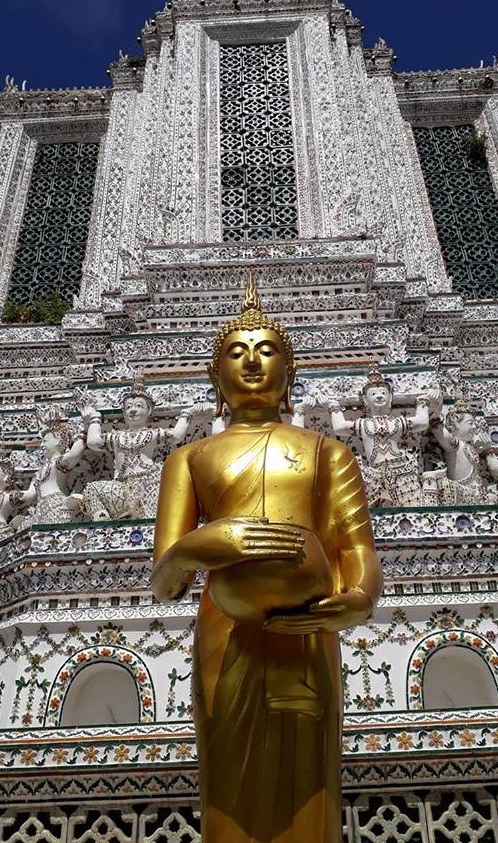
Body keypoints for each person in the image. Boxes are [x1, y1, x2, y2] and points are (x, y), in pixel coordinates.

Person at [151, 276, 382, 843]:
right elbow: (164, 580)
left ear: (290, 373)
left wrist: (357, 600)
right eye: (236, 352)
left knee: (309, 784)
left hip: (306, 630)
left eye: (267, 350)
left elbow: (356, 549)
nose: (252, 361)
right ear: (215, 377)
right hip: (225, 631)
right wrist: (206, 544)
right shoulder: (188, 458)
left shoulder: (328, 452)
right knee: (229, 787)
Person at [79, 378, 199, 521]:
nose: (133, 410)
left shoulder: (152, 434)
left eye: (139, 406)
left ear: (149, 411)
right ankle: (104, 525)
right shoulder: (116, 437)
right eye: (128, 407)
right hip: (122, 488)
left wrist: (187, 413)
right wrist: (95, 417)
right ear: (124, 413)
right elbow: (93, 442)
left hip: (149, 485)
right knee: (91, 490)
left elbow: (176, 436)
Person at [329, 366, 436, 507]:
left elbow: (422, 422)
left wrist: (423, 401)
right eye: (373, 394)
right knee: (350, 503)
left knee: (414, 508)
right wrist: (333, 405)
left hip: (401, 470)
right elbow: (339, 428)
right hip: (374, 473)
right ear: (365, 400)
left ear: (390, 397)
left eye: (383, 393)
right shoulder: (363, 424)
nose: (379, 396)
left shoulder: (396, 422)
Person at [429, 398, 490, 505]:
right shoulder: (455, 444)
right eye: (470, 423)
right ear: (456, 422)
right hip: (462, 492)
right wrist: (434, 416)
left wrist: (486, 448)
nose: (474, 427)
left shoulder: (469, 447)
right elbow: (441, 433)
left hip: (477, 493)